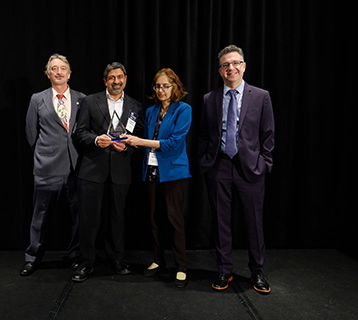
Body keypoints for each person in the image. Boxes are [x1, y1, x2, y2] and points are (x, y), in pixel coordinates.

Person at [197, 45, 275, 294]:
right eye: (225, 65)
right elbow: (203, 134)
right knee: (221, 222)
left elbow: (268, 134)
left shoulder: (261, 96)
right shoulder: (210, 99)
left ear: (243, 66)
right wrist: (205, 162)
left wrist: (264, 163)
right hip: (218, 166)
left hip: (250, 168)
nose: (231, 68)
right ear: (220, 71)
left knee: (254, 222)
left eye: (235, 63)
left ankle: (258, 271)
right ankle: (224, 269)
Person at [72, 62, 143, 282]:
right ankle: (86, 263)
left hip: (120, 170)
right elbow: (79, 133)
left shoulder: (135, 106)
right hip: (92, 169)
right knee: (89, 220)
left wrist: (129, 146)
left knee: (117, 218)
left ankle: (117, 260)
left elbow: (138, 134)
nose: (116, 81)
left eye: (120, 77)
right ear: (105, 81)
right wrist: (95, 140)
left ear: (126, 79)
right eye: (112, 77)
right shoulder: (89, 101)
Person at [124, 68, 191, 288]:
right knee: (153, 218)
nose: (161, 90)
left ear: (175, 87)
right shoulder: (151, 110)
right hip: (151, 169)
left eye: (165, 86)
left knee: (174, 219)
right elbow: (139, 134)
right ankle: (157, 259)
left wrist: (139, 142)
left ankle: (181, 265)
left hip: (173, 171)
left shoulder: (184, 109)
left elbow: (173, 142)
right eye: (157, 86)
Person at [21, 54, 86, 276]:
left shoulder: (82, 99)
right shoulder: (37, 99)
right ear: (48, 74)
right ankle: (33, 257)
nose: (59, 72)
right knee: (40, 214)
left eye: (63, 68)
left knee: (78, 216)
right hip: (47, 168)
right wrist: (44, 154)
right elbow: (31, 134)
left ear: (69, 73)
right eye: (54, 69)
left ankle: (76, 255)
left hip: (76, 168)